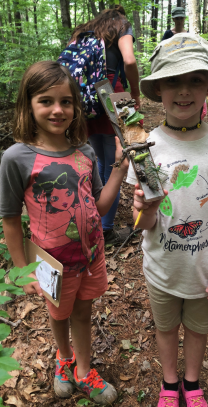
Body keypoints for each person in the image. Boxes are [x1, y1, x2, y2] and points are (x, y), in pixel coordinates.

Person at [127, 34, 208, 407]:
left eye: (196, 80)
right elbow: (143, 224)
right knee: (166, 327)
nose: (184, 91)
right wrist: (143, 210)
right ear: (158, 89)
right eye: (173, 81)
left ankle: (191, 386)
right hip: (162, 267)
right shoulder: (144, 148)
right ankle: (168, 384)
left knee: (198, 330)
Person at [0, 61, 129, 404]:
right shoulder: (16, 158)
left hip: (90, 256)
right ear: (28, 105)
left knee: (84, 311)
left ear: (76, 106)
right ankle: (64, 358)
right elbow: (11, 219)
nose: (58, 110)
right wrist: (20, 269)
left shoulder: (85, 152)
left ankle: (84, 370)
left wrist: (119, 168)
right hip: (52, 264)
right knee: (59, 313)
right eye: (46, 101)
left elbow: (100, 207)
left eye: (66, 102)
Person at [69, 5, 140, 246]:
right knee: (116, 162)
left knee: (98, 161)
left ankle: (93, 221)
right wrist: (135, 94)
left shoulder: (84, 31)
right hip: (112, 94)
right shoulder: (122, 26)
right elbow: (129, 61)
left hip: (85, 97)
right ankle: (106, 231)